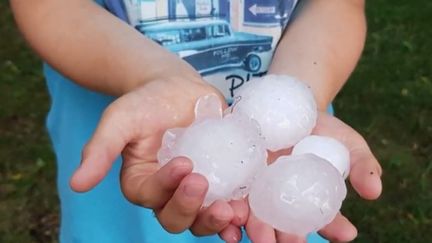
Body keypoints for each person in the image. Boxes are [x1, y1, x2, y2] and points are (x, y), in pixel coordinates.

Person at [11, 0, 382, 242]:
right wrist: (151, 74)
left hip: (286, 167)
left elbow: (335, 6)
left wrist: (300, 96)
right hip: (124, 171)